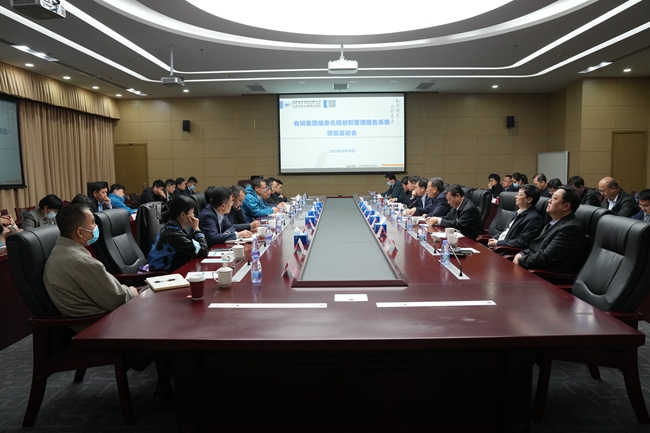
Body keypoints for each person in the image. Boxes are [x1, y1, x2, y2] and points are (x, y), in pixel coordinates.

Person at [44, 203, 173, 407]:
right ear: (80, 231)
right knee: (166, 321)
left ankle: (167, 382)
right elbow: (116, 299)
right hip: (100, 325)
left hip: (94, 317)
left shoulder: (63, 250)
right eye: (93, 223)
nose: (96, 227)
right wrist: (134, 291)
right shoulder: (81, 261)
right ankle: (166, 388)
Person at [514, 186, 586, 273]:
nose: (549, 201)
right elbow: (535, 247)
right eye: (551, 197)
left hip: (547, 276)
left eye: (554, 199)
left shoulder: (571, 229)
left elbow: (546, 258)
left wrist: (521, 259)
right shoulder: (554, 222)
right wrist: (521, 254)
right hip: (534, 269)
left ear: (566, 206)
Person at [148, 196, 208, 272]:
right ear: (183, 215)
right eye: (192, 212)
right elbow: (203, 251)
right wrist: (196, 229)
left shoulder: (170, 227)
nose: (194, 216)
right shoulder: (174, 234)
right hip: (163, 275)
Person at [487, 184, 543, 249]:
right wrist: (494, 238)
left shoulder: (534, 219)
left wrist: (498, 243)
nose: (516, 196)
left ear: (529, 200)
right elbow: (506, 232)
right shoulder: (517, 212)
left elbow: (522, 242)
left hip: (505, 250)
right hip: (499, 245)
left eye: (520, 195)